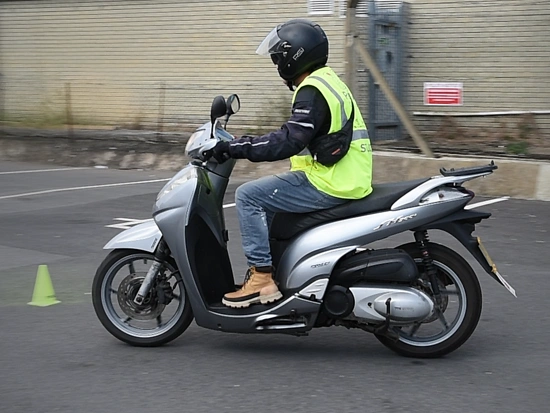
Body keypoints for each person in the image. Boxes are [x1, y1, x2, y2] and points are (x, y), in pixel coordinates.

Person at [208, 18, 373, 309]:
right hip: (345, 177)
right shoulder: (330, 81)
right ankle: (277, 278)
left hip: (330, 181)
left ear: (294, 56)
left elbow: (288, 141)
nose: (276, 64)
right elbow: (298, 133)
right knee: (272, 208)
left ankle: (261, 277)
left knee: (248, 196)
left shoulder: (312, 89)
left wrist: (234, 147)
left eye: (278, 58)